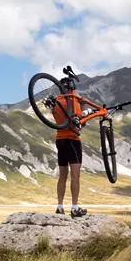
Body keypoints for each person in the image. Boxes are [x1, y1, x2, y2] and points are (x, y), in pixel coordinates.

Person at [52, 77, 88, 218]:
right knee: (75, 176)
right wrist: (83, 106)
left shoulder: (56, 102)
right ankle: (74, 207)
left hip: (60, 140)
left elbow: (57, 119)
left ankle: (60, 206)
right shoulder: (73, 101)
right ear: (71, 88)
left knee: (62, 176)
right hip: (73, 140)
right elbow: (78, 123)